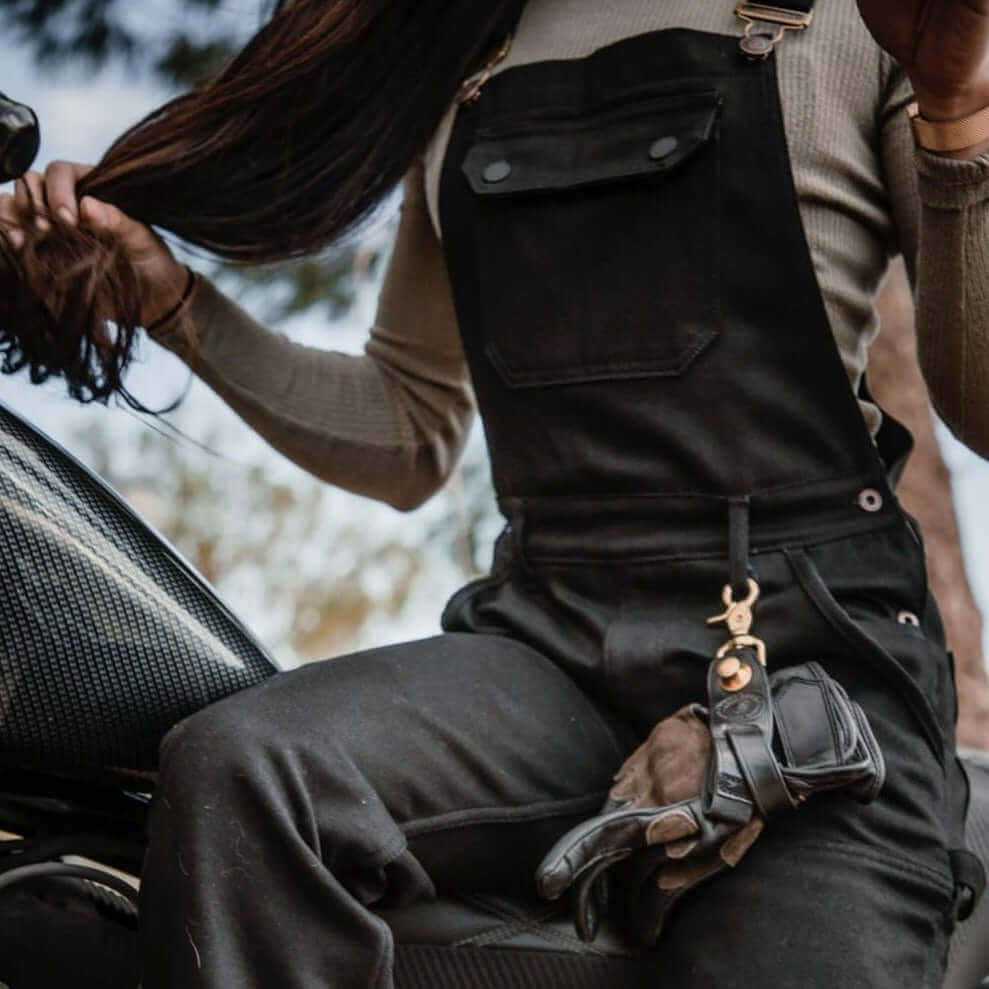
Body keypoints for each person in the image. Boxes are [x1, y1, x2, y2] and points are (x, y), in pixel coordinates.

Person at [2, 0, 989, 985]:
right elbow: (406, 431)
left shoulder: (874, 25)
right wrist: (174, 304)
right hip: (547, 642)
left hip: (806, 657)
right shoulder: (474, 55)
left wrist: (955, 107)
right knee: (245, 772)